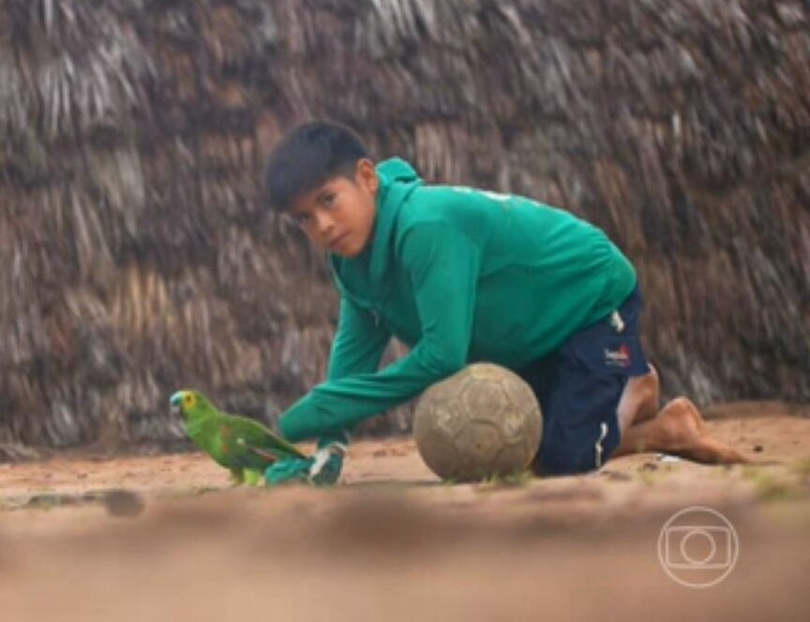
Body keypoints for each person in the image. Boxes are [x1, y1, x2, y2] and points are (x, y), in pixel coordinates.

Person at [261, 121, 747, 485]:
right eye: (304, 218)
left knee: (562, 461)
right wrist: (329, 448)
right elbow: (354, 353)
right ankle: (639, 409)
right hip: (525, 334)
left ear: (367, 178)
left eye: (328, 200)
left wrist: (322, 406)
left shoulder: (424, 227)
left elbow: (442, 355)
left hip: (588, 301)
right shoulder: (351, 259)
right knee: (507, 448)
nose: (322, 225)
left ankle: (648, 406)